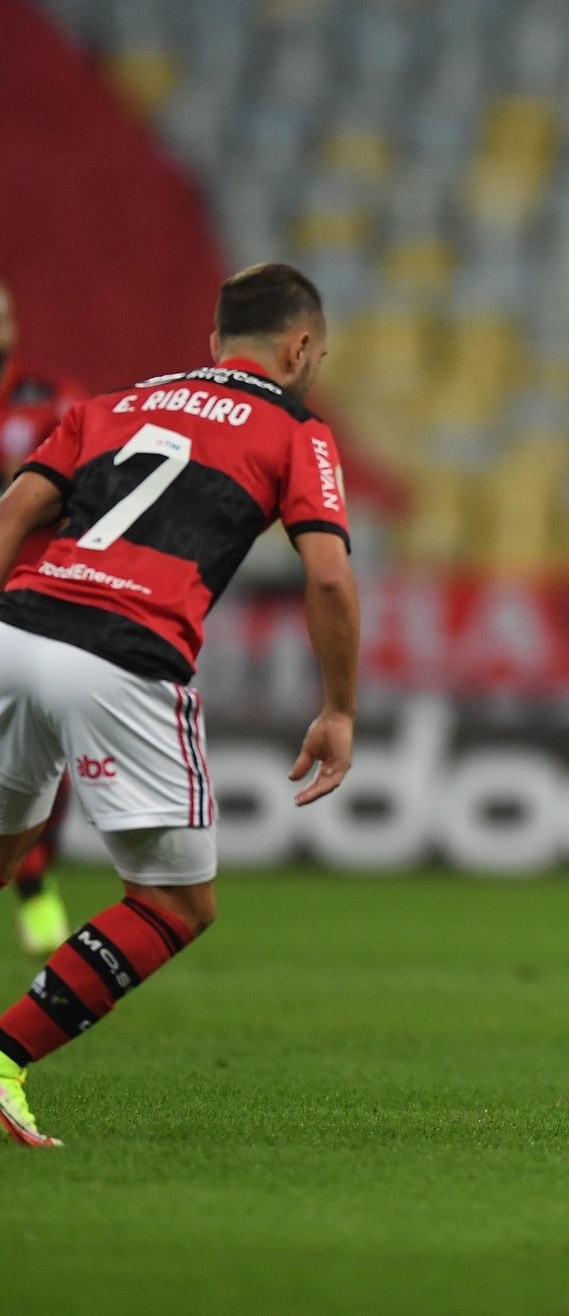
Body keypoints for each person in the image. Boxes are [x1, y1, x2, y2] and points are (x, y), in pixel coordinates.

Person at [0, 263, 359, 1147]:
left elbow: (12, 513)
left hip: (19, 627)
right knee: (173, 905)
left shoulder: (109, 404)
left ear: (213, 342)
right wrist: (339, 708)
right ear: (301, 346)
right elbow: (328, 575)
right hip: (124, 654)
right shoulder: (295, 429)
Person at [0, 280, 85, 957]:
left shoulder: (52, 399)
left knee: (42, 751)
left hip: (35, 596)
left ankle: (32, 875)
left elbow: (96, 488)